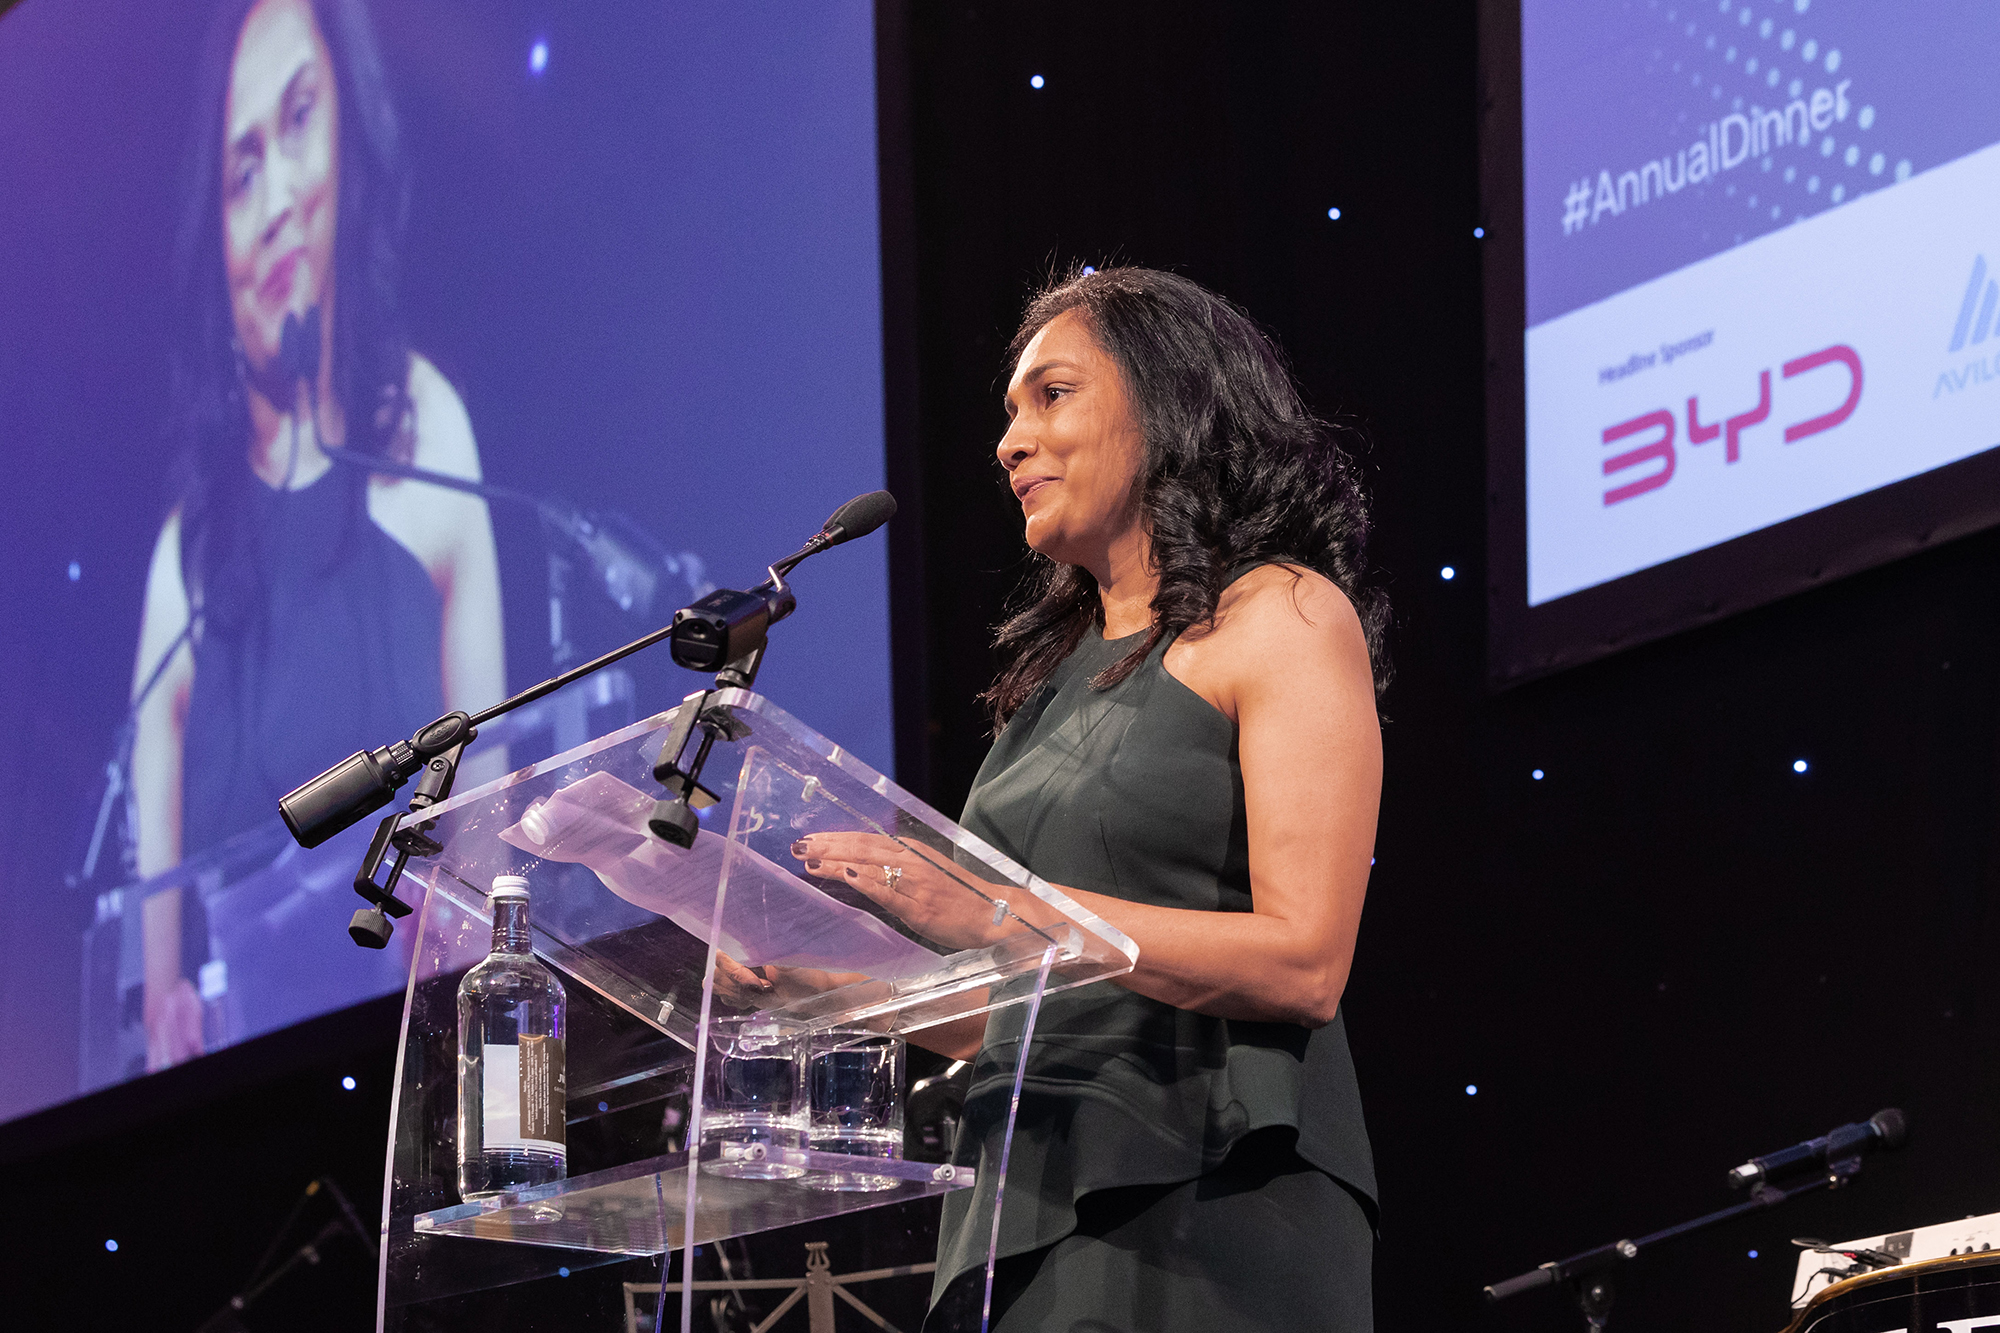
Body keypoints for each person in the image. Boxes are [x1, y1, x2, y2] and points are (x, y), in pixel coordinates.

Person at [787, 266, 1387, 1330]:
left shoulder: (1280, 615)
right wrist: (815, 993)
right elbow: (1014, 1009)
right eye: (1006, 415)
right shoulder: (1047, 685)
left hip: (1215, 1201)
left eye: (1050, 395)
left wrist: (1007, 916)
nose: (1009, 443)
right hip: (1025, 1200)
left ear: (1166, 401)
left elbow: (1304, 962)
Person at [128, 0, 504, 1070]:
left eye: (299, 122)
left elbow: (490, 786)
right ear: (214, 227)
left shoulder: (430, 432)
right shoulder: (185, 557)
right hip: (233, 1085)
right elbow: (155, 957)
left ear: (352, 136)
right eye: (241, 172)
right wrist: (171, 1015)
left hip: (420, 1053)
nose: (280, 196)